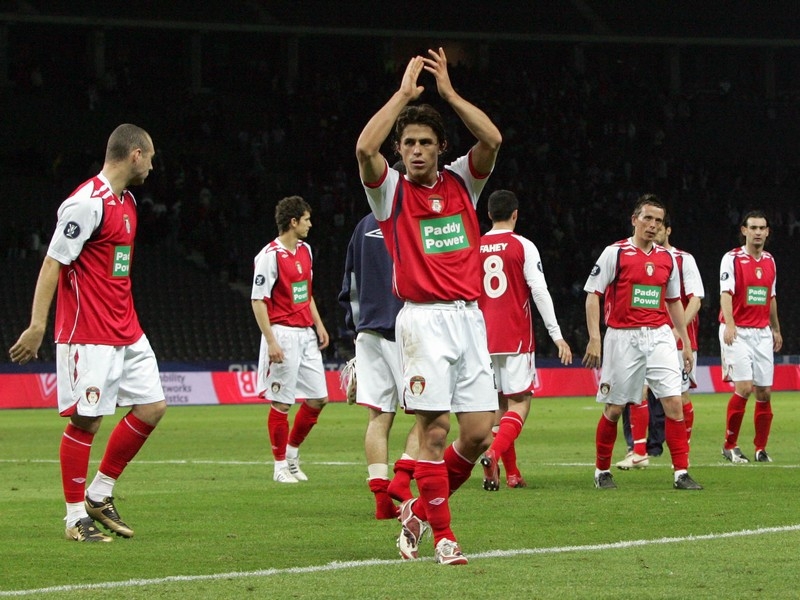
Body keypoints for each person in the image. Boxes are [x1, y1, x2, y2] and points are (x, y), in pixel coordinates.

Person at [355, 46, 502, 565]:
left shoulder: (464, 180)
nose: (416, 150)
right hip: (421, 322)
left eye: (425, 143)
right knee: (435, 431)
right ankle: (444, 537)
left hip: (469, 318)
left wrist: (450, 94)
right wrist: (402, 96)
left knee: (481, 432)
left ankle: (419, 510)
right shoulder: (390, 192)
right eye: (408, 143)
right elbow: (363, 148)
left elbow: (493, 139)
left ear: (441, 148)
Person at [8, 123, 166, 542]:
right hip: (88, 331)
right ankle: (75, 517)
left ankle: (100, 492)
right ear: (134, 154)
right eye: (150, 156)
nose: (152, 165)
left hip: (127, 329)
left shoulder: (129, 202)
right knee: (87, 422)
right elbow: (52, 263)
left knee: (152, 407)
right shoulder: (85, 203)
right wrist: (38, 325)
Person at [582, 194, 702, 491]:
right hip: (623, 337)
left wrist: (684, 342)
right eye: (647, 218)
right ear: (634, 220)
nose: (652, 225)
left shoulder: (667, 258)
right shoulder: (615, 253)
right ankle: (601, 470)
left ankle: (681, 472)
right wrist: (594, 338)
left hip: (659, 335)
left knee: (674, 401)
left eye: (658, 220)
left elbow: (674, 301)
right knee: (614, 407)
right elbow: (592, 295)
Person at [477, 189, 573, 491]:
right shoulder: (524, 246)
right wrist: (557, 335)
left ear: (489, 215)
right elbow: (539, 291)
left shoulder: (474, 246)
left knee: (498, 405)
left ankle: (512, 473)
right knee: (520, 403)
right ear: (515, 214)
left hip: (481, 338)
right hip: (515, 336)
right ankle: (493, 453)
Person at [338, 209, 420, 520]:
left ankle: (381, 503)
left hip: (368, 331)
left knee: (378, 416)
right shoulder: (414, 218)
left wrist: (357, 331)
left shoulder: (363, 225)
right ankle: (401, 479)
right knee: (430, 417)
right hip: (406, 327)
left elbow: (351, 284)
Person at [251, 196, 329, 483]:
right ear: (293, 222)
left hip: (306, 333)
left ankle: (293, 453)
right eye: (306, 219)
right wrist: (271, 341)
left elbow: (305, 293)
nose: (310, 224)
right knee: (282, 403)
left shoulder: (306, 250)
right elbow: (258, 301)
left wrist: (318, 325)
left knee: (319, 398)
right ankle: (279, 466)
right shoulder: (269, 256)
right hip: (282, 333)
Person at [617, 215, 704, 469]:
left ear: (668, 229)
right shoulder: (636, 258)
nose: (654, 229)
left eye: (660, 225)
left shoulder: (683, 259)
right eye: (649, 223)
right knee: (639, 392)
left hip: (677, 339)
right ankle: (639, 452)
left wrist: (679, 331)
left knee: (680, 397)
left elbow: (695, 299)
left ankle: (682, 453)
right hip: (646, 337)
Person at [719, 210, 782, 463]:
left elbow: (771, 298)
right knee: (744, 387)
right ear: (744, 230)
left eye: (762, 228)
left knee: (764, 392)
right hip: (738, 331)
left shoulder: (770, 261)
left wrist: (775, 328)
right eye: (753, 227)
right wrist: (730, 324)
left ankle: (760, 448)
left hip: (762, 332)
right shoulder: (731, 259)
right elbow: (726, 294)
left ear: (767, 232)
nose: (757, 232)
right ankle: (729, 444)